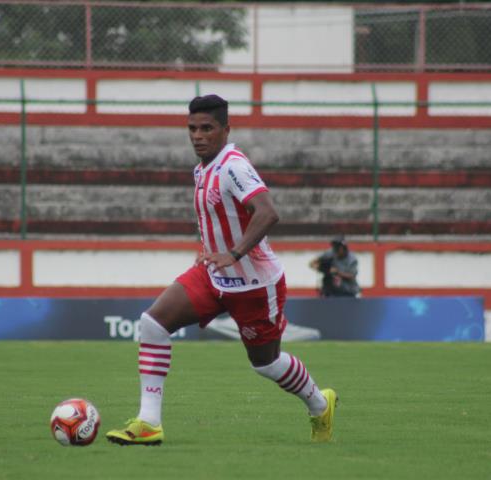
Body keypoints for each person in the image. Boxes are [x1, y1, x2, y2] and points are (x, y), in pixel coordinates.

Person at [105, 94, 337, 446]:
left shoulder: (233, 166)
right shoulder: (201, 169)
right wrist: (217, 254)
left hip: (255, 284)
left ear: (225, 130)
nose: (198, 135)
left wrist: (234, 252)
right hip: (214, 275)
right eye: (192, 128)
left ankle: (320, 404)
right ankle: (149, 422)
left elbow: (267, 212)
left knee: (266, 364)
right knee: (152, 324)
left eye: (207, 128)